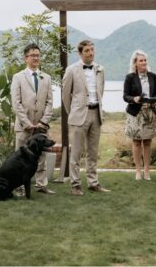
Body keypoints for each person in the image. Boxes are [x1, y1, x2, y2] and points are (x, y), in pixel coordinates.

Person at [62, 40, 109, 195]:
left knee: (93, 152)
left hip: (96, 114)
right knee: (76, 152)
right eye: (87, 50)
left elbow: (100, 91)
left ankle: (93, 183)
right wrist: (74, 112)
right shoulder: (71, 70)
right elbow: (65, 96)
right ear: (80, 53)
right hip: (79, 116)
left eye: (92, 50)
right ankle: (75, 185)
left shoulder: (100, 69)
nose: (91, 53)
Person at [10, 43, 55, 194]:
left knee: (41, 157)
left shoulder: (46, 78)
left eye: (38, 55)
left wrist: (43, 121)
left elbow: (50, 102)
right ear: (26, 58)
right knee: (20, 159)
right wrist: (27, 123)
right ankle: (19, 188)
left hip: (41, 125)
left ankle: (41, 185)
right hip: (24, 126)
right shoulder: (18, 77)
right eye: (33, 55)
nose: (36, 58)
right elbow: (16, 103)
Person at [122, 50, 156, 181]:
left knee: (148, 142)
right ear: (135, 63)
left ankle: (147, 171)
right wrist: (134, 99)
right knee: (137, 142)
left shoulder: (153, 76)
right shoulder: (130, 77)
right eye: (141, 60)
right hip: (135, 113)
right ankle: (138, 171)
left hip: (150, 112)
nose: (144, 62)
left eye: (145, 60)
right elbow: (125, 96)